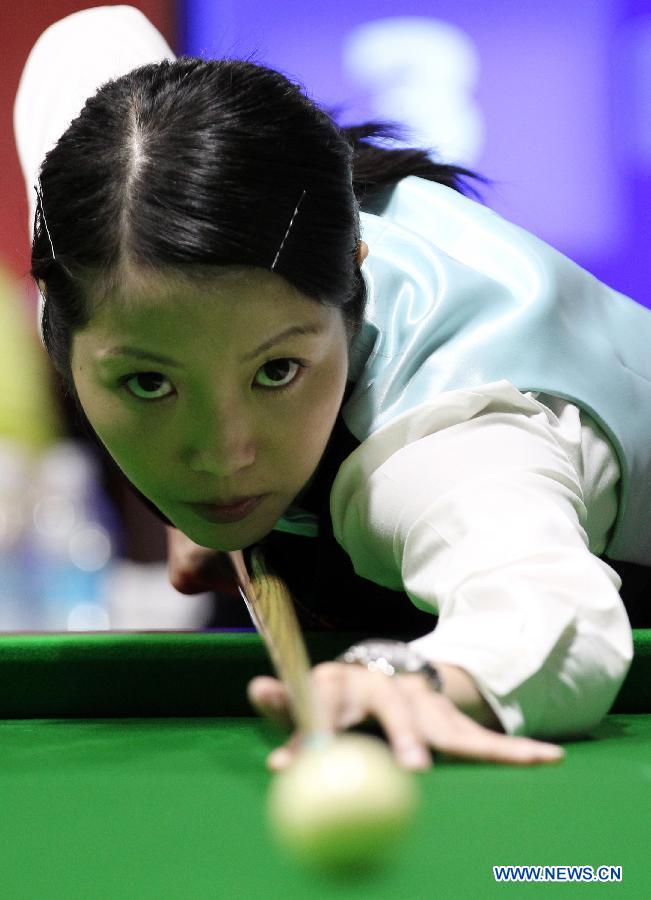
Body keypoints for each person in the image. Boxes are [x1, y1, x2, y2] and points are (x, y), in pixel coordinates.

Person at [16, 6, 647, 772]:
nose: (223, 455)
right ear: (55, 316)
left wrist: (416, 676)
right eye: (149, 382)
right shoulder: (99, 213)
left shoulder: (449, 437)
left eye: (277, 371)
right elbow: (93, 36)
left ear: (352, 274)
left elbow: (550, 609)